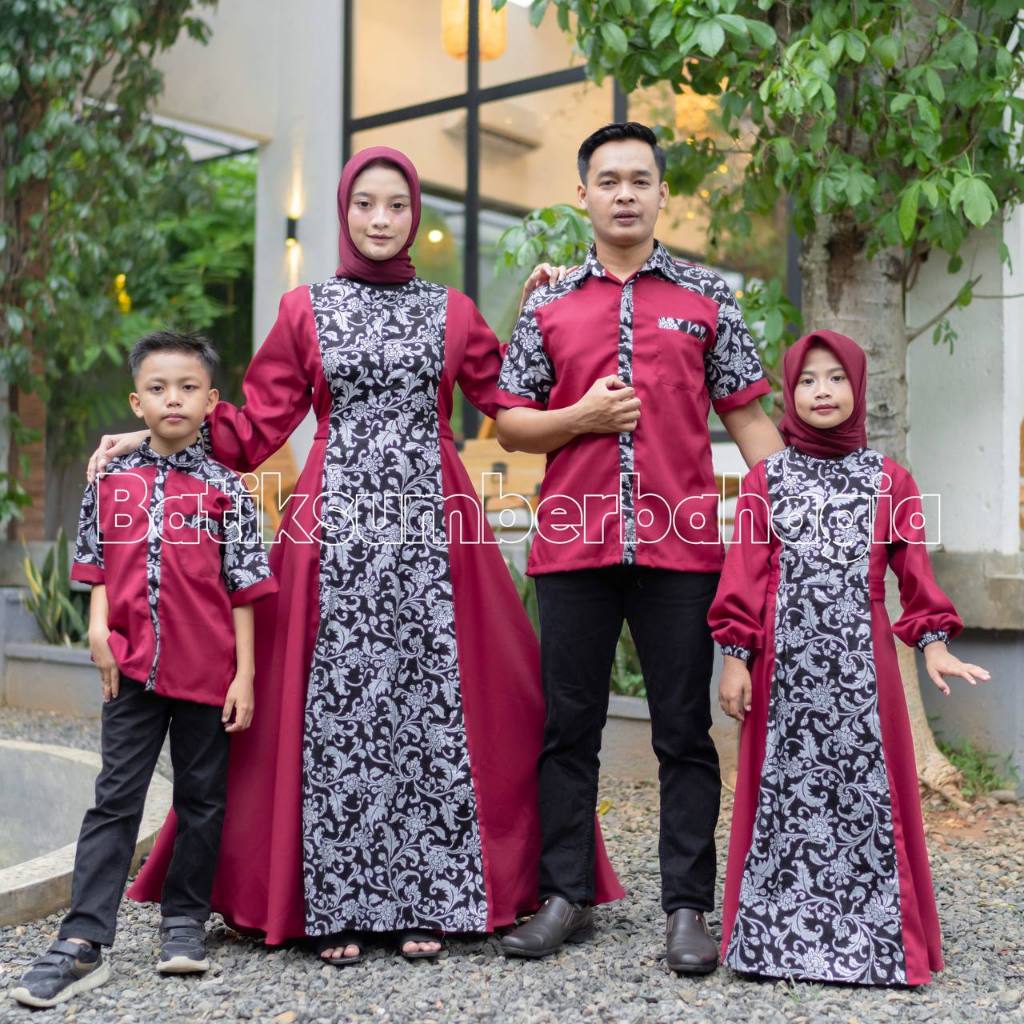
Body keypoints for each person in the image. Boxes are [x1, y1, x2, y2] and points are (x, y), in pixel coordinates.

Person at [87, 147, 623, 965]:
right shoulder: (306, 309)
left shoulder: (452, 311)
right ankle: (331, 905)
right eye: (365, 204)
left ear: (415, 216)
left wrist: (538, 315)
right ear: (345, 212)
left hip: (433, 537)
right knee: (333, 715)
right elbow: (253, 430)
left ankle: (426, 897)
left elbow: (507, 401)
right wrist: (153, 434)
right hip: (328, 540)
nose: (380, 219)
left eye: (397, 205)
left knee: (433, 710)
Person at [494, 122, 784, 973]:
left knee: (684, 733)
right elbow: (510, 424)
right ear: (582, 194)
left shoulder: (708, 297)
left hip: (682, 551)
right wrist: (580, 417)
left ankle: (687, 908)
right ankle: (563, 897)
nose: (624, 194)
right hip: (572, 549)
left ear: (662, 193)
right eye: (608, 180)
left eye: (640, 180)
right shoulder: (547, 303)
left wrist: (808, 507)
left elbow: (748, 418)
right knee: (567, 730)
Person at [709, 330, 990, 985]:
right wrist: (735, 657)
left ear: (858, 387)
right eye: (808, 380)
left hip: (865, 673)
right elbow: (744, 575)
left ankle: (875, 944)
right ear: (790, 391)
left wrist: (934, 643)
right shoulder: (766, 480)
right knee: (785, 802)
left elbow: (914, 576)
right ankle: (776, 941)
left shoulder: (891, 481)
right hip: (783, 673)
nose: (823, 391)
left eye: (836, 377)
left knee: (867, 800)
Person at [11, 332, 275, 1009]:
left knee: (202, 799)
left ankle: (183, 922)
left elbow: (244, 590)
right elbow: (97, 566)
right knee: (116, 798)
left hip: (209, 673)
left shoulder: (228, 490)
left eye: (188, 388)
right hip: (130, 670)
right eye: (158, 388)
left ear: (211, 401)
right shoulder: (110, 482)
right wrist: (98, 629)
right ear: (137, 402)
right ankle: (82, 940)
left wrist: (245, 675)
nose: (173, 399)